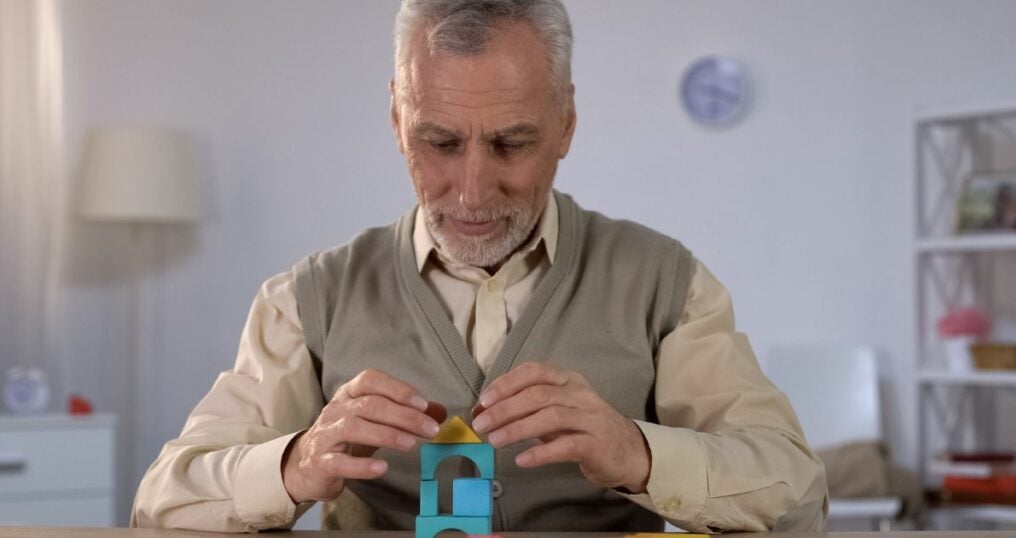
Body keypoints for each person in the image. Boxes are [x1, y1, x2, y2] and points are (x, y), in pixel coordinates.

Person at [132, 0, 827, 533]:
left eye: (511, 143)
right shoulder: (306, 300)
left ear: (566, 123)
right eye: (439, 142)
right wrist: (293, 466)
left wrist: (640, 453)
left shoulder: (666, 287)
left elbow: (798, 494)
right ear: (398, 122)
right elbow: (162, 504)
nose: (471, 191)